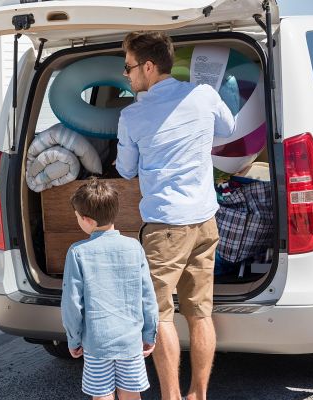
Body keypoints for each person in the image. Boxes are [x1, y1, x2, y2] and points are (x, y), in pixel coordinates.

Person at [115, 31, 235, 400]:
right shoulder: (204, 95)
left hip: (165, 227)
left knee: (161, 315)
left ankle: (171, 397)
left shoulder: (133, 115)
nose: (127, 75)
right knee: (199, 312)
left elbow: (124, 170)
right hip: (204, 220)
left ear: (148, 67)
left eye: (129, 67)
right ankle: (198, 394)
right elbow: (227, 130)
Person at [61, 178, 159, 400]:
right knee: (131, 394)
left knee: (102, 395)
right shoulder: (134, 247)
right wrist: (149, 333)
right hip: (130, 341)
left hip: (97, 344)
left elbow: (72, 303)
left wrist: (74, 339)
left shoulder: (78, 252)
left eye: (77, 217)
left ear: (86, 220)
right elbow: (148, 297)